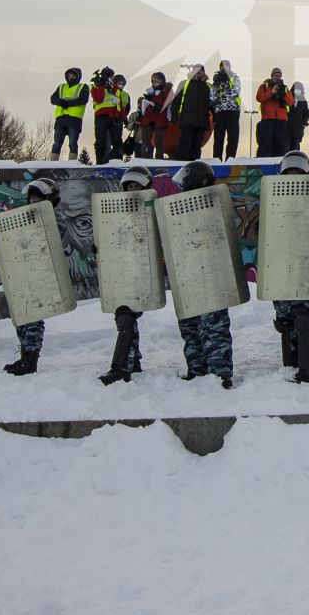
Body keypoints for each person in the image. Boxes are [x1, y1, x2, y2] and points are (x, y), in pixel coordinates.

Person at [171, 160, 237, 388]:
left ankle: (221, 372)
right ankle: (196, 369)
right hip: (189, 275)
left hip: (213, 277)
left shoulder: (213, 204)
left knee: (214, 327)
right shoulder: (180, 206)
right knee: (190, 326)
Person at [5, 177, 70, 376]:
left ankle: (31, 359)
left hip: (41, 272)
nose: (33, 201)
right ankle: (24, 354)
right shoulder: (25, 216)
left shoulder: (54, 217)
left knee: (33, 317)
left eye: (38, 198)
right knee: (21, 316)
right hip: (23, 270)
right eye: (32, 198)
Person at [267, 151, 309, 383]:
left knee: (302, 315)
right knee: (284, 318)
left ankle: (307, 368)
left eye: (297, 172)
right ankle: (292, 361)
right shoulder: (274, 195)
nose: (293, 176)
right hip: (281, 264)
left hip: (305, 264)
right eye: (289, 171)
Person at [97, 165, 155, 386]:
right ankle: (133, 362)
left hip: (143, 272)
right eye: (129, 186)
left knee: (125, 318)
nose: (132, 190)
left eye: (137, 186)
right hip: (123, 271)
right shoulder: (116, 211)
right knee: (125, 317)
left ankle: (120, 367)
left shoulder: (153, 208)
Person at [172, 65, 212, 161]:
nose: (198, 72)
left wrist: (215, 120)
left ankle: (194, 164)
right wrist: (174, 115)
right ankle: (181, 163)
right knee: (184, 143)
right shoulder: (185, 84)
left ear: (204, 72)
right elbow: (176, 101)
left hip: (201, 121)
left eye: (201, 70)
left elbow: (212, 104)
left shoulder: (208, 86)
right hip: (187, 120)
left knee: (197, 146)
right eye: (196, 70)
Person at [49, 67, 89, 160]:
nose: (71, 77)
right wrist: (60, 102)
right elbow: (53, 98)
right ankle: (52, 163)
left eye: (73, 75)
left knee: (72, 143)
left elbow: (83, 100)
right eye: (69, 75)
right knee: (57, 143)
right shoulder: (61, 87)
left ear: (78, 77)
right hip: (61, 119)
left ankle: (72, 163)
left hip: (74, 119)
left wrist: (66, 103)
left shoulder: (82, 87)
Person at [92, 72, 130, 163]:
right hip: (101, 117)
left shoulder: (116, 90)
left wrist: (124, 117)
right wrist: (100, 85)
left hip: (115, 117)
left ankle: (118, 161)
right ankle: (100, 162)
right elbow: (98, 99)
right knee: (100, 141)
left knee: (117, 141)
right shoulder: (96, 86)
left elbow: (119, 105)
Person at [255, 67, 293, 157]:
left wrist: (283, 94)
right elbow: (259, 97)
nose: (277, 77)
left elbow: (291, 102)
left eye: (279, 76)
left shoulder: (285, 88)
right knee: (266, 142)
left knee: (281, 143)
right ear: (272, 76)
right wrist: (271, 92)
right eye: (276, 75)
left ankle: (279, 160)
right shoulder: (264, 86)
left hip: (281, 120)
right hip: (267, 118)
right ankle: (264, 160)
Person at [136, 72, 174, 159]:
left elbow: (164, 104)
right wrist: (140, 113)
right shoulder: (150, 91)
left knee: (158, 140)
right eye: (153, 81)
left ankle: (159, 158)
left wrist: (152, 100)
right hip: (148, 118)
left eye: (156, 80)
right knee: (146, 140)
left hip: (160, 118)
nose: (154, 82)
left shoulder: (167, 91)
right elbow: (145, 105)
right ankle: (145, 158)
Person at [210, 61, 242, 159]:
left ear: (230, 67)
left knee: (233, 137)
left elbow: (236, 91)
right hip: (220, 111)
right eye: (222, 67)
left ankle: (230, 158)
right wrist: (217, 84)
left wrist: (222, 94)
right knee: (218, 137)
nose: (224, 68)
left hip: (233, 110)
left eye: (226, 66)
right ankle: (217, 159)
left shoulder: (235, 77)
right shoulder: (216, 80)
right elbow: (212, 95)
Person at [286, 83, 309, 152]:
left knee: (295, 149)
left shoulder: (303, 100)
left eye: (300, 88)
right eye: (296, 88)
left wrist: (304, 122)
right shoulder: (287, 98)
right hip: (287, 128)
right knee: (286, 148)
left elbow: (306, 112)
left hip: (298, 129)